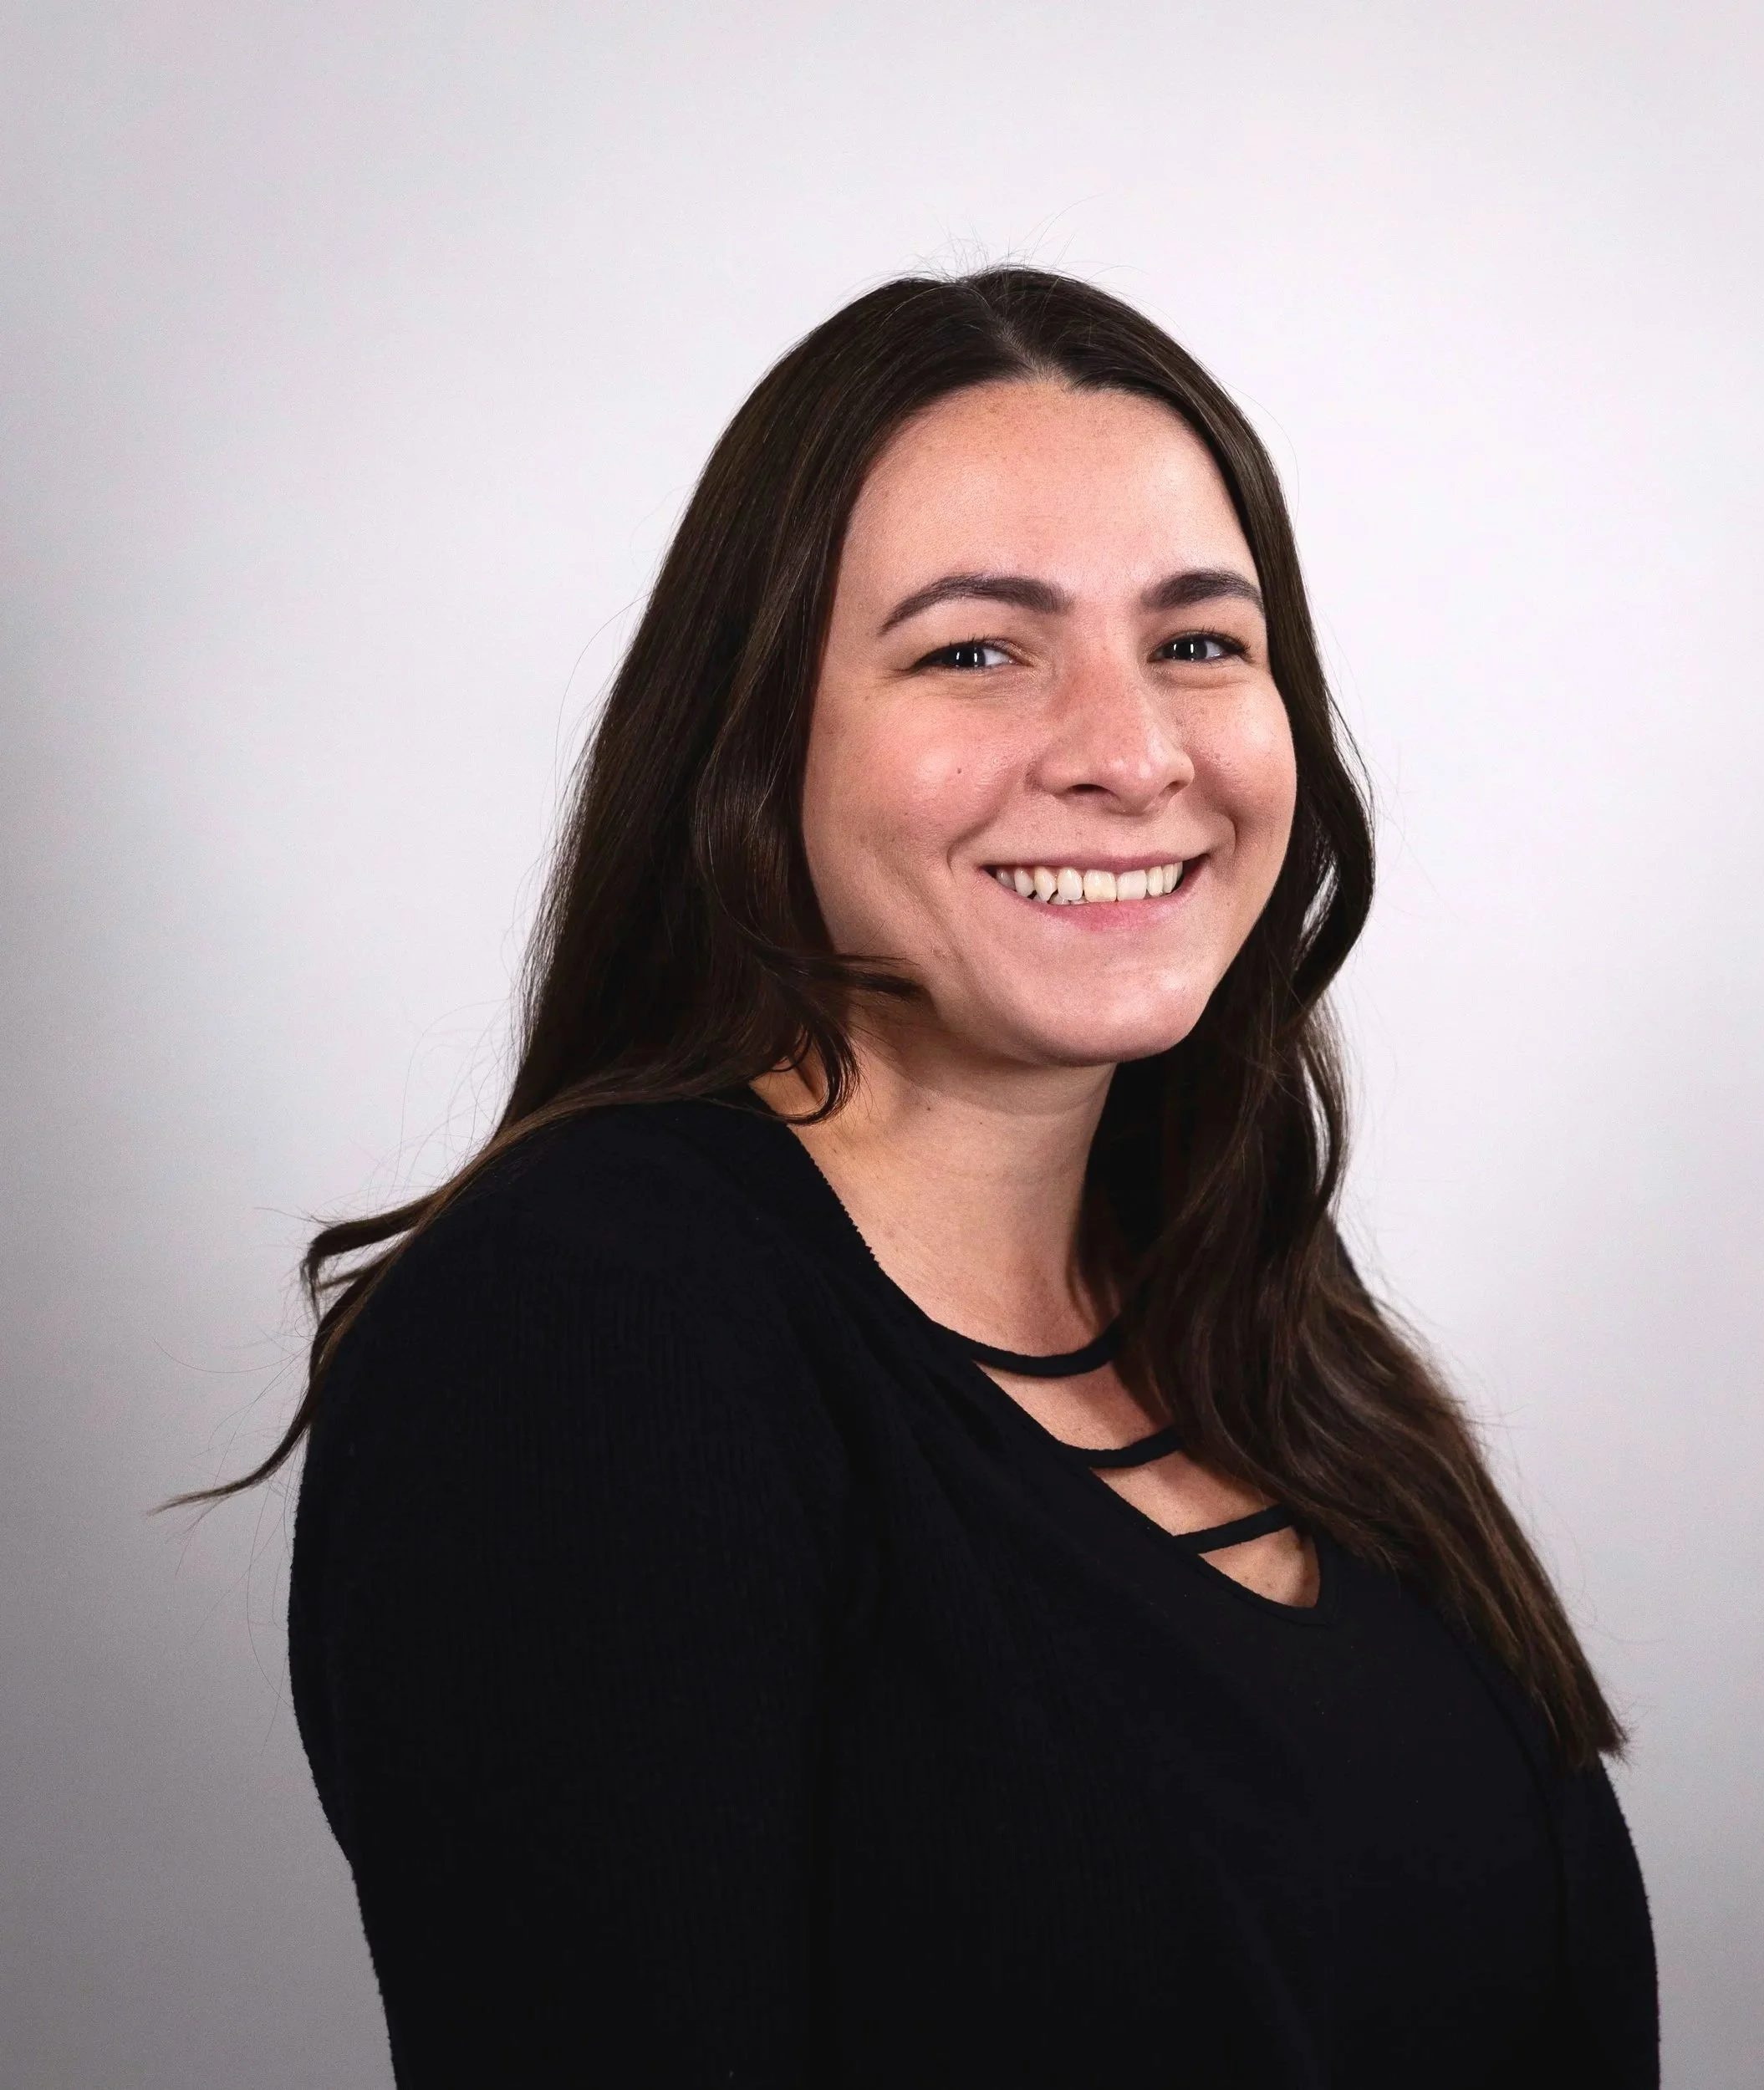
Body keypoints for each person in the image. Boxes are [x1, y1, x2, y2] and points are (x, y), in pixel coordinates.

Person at [241, 267, 1656, 2086]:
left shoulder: (1266, 1323)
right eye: (975, 649)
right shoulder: (582, 1330)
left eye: (1198, 642)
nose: (1128, 750)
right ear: (755, 745)